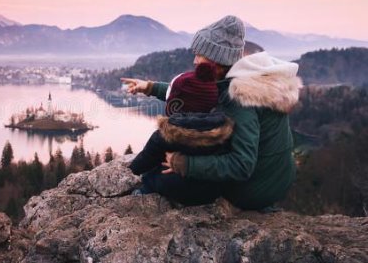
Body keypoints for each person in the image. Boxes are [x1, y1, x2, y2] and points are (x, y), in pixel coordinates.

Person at [122, 15, 300, 210]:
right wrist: (150, 87)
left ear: (216, 59)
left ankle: (139, 192)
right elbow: (197, 96)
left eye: (199, 54)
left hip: (255, 188)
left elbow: (242, 165)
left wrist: (186, 164)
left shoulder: (239, 97)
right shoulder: (240, 77)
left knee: (168, 173)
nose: (195, 60)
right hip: (273, 176)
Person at [126, 62, 234, 179]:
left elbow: (142, 162)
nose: (194, 61)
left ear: (175, 106)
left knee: (150, 176)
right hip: (210, 189)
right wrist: (150, 87)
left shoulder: (165, 136)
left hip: (175, 188)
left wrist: (130, 172)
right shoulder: (221, 130)